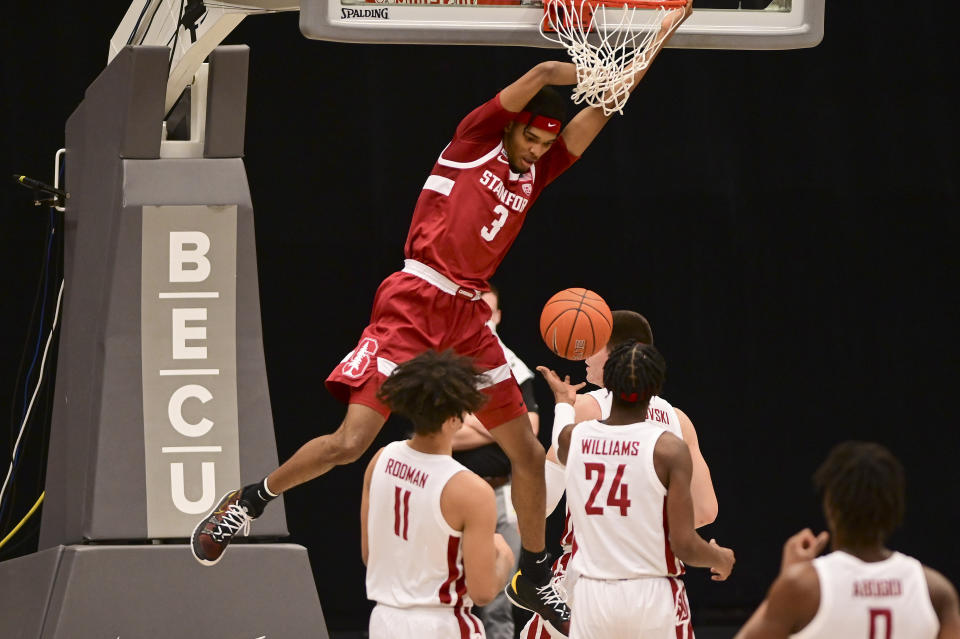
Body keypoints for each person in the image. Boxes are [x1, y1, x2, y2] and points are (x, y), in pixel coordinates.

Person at [191, 1, 692, 627]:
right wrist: (563, 69)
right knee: (350, 444)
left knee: (530, 456)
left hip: (466, 318)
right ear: (510, 130)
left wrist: (653, 42)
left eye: (544, 141)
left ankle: (533, 577)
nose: (537, 149)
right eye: (530, 137)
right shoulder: (469, 145)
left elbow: (602, 110)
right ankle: (248, 501)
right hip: (412, 301)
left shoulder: (537, 175)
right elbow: (533, 81)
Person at [521, 309, 718, 638]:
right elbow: (706, 511)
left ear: (625, 351)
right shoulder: (678, 420)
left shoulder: (585, 408)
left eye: (594, 343)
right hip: (653, 585)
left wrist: (533, 570)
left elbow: (539, 503)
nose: (583, 352)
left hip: (586, 580)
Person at [361, 350, 515, 639]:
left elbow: (371, 555)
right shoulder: (471, 490)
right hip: (442, 624)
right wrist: (504, 558)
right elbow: (482, 593)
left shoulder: (379, 459)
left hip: (384, 621)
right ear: (455, 417)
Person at [736, 441, 960, 639]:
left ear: (831, 507)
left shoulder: (802, 588)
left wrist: (786, 577)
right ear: (896, 507)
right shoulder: (936, 590)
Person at [451, 284, 538, 639]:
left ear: (498, 315)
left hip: (503, 493)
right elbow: (445, 434)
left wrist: (474, 420)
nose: (484, 319)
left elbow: (529, 431)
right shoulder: (448, 366)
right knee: (454, 587)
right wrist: (503, 424)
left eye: (490, 311)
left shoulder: (514, 366)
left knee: (500, 597)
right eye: (477, 311)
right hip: (455, 493)